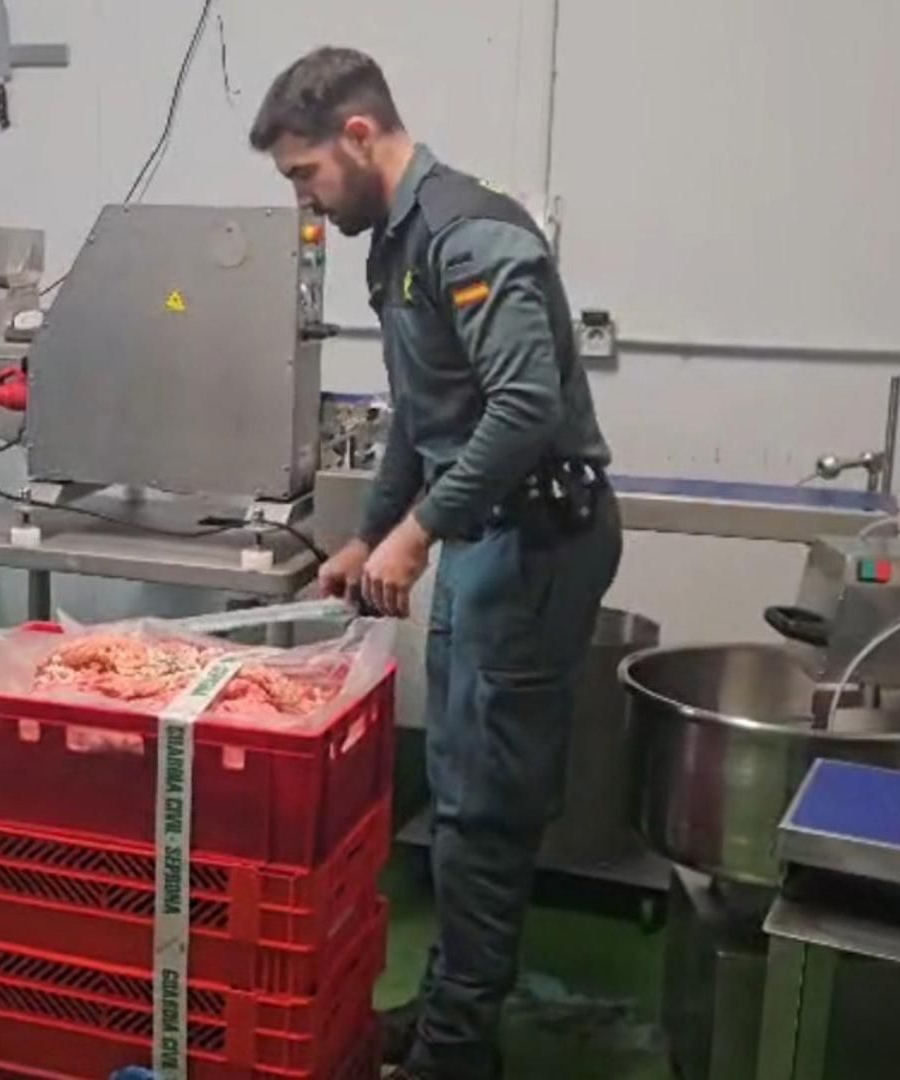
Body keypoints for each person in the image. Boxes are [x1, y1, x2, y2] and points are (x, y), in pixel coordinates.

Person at [249, 48, 623, 1080]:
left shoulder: (470, 235)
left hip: (536, 540)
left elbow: (522, 409)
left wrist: (418, 535)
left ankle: (460, 1053)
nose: (305, 202)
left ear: (359, 136)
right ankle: (457, 1009)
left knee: (487, 807)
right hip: (483, 535)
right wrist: (374, 531)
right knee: (458, 797)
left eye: (306, 176)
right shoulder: (398, 244)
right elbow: (422, 414)